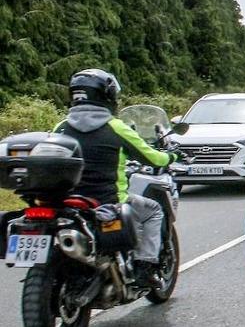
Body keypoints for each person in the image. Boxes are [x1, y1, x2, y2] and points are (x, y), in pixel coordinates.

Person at [54, 69, 177, 289]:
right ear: (106, 96)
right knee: (153, 210)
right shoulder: (115, 127)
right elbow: (154, 159)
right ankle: (144, 268)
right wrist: (172, 156)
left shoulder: (61, 127)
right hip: (109, 201)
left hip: (67, 203)